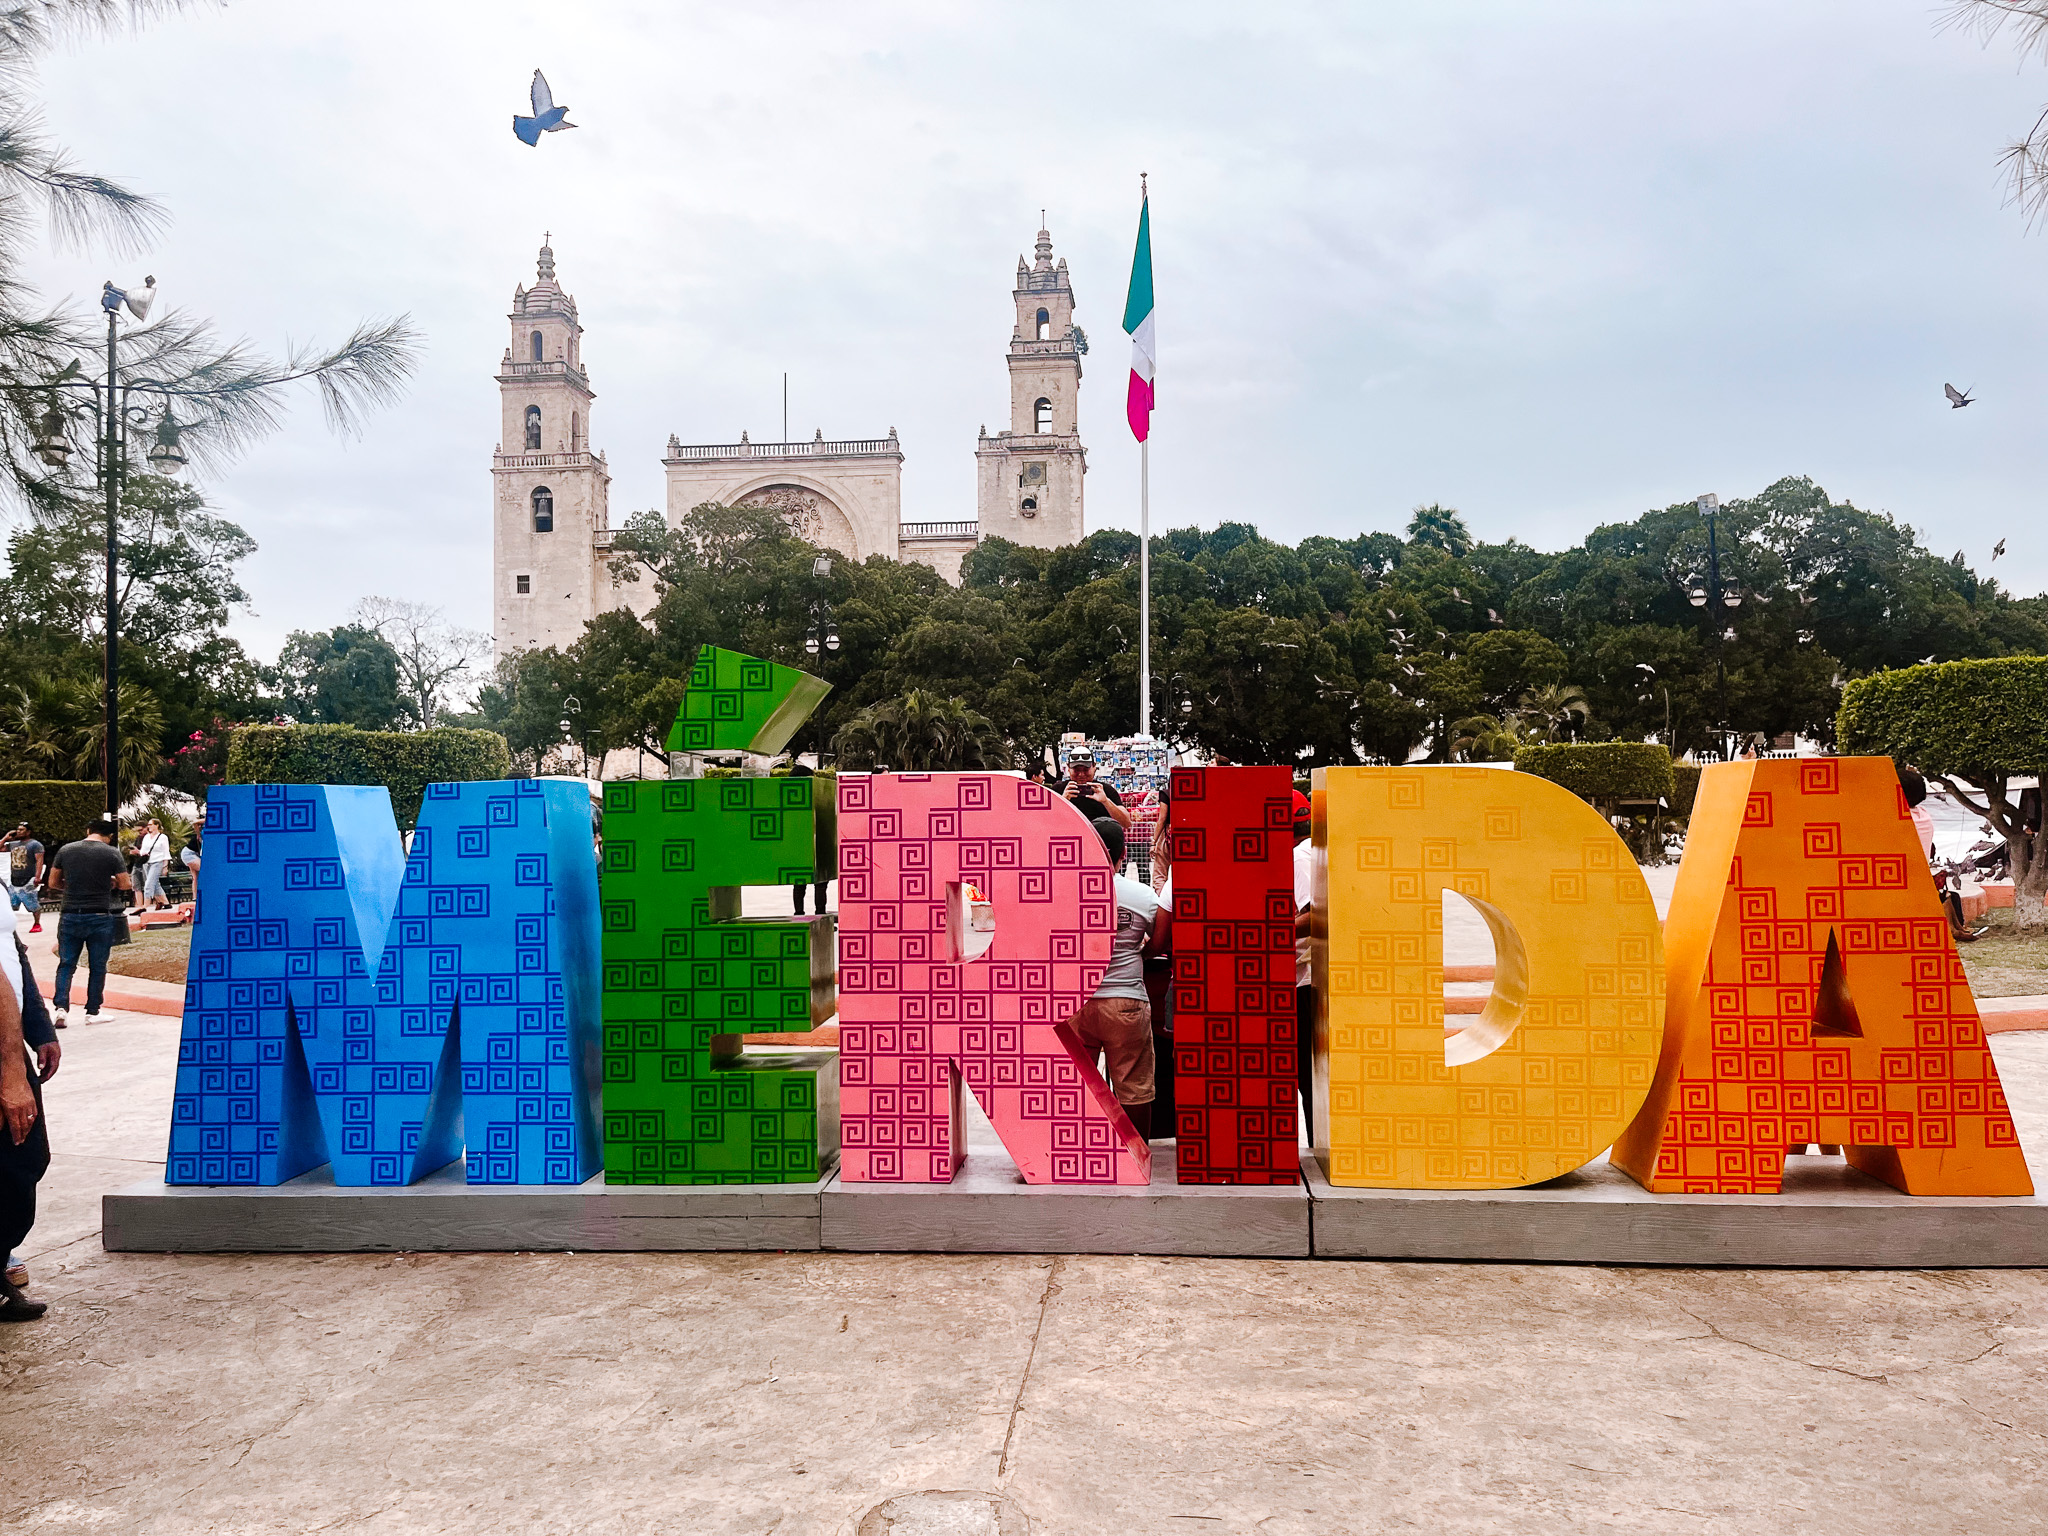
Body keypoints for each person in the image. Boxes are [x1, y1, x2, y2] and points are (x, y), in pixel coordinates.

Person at [1071, 819, 1167, 1140]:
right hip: (1126, 1001)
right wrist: (1142, 952)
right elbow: (1161, 942)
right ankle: (1136, 1155)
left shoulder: (1064, 891)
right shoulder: (1140, 896)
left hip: (1076, 1002)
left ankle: (1081, 1149)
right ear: (1123, 854)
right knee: (1135, 1087)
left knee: (1079, 1084)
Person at [4, 934, 57, 1302]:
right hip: (4, 1050)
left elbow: (12, 953)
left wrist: (40, 1028)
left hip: (10, 1041)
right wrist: (9, 1069)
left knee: (26, 1160)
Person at [46, 818, 131, 1026]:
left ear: (88, 830)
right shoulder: (112, 853)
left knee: (66, 964)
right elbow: (125, 884)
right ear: (109, 837)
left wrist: (73, 886)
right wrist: (109, 882)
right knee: (97, 965)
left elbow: (53, 882)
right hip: (100, 915)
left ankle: (60, 1009)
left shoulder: (66, 850)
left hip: (70, 913)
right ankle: (93, 1011)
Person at [1289, 788, 1317, 1145]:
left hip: (1303, 979)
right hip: (1310, 976)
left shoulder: (1299, 858)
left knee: (1305, 1076)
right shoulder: (1314, 851)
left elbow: (1312, 916)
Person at [788, 764, 832, 916]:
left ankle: (799, 914)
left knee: (799, 883)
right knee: (820, 884)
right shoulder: (818, 795)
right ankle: (820, 914)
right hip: (819, 844)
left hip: (799, 845)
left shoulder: (789, 797)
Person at [1062, 750, 1132, 833]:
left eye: (1085, 770)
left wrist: (1106, 801)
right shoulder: (1059, 789)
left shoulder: (1106, 790)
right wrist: (1062, 801)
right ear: (1068, 768)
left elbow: (1127, 823)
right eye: (1076, 770)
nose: (1081, 774)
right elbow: (1045, 821)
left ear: (1094, 767)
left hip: (1100, 841)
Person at [3, 823, 43, 934]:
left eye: (22, 830)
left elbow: (39, 860)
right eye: (18, 830)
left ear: (28, 832)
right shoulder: (13, 844)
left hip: (28, 878)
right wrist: (6, 837)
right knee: (10, 905)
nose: (19, 831)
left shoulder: (35, 844)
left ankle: (37, 923)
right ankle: (10, 926)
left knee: (32, 904)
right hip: (14, 878)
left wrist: (37, 877)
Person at [134, 818, 172, 912]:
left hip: (157, 861)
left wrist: (165, 866)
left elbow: (166, 852)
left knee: (149, 884)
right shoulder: (147, 837)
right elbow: (143, 849)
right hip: (147, 862)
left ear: (157, 825)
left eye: (151, 824)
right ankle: (166, 903)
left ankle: (145, 905)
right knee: (155, 884)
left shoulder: (163, 837)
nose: (149, 826)